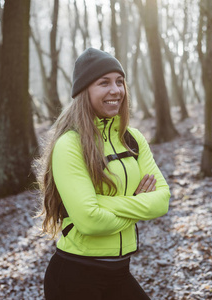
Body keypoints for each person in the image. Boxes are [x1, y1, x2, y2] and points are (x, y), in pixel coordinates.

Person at [38, 47, 171, 299]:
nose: (116, 90)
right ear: (83, 91)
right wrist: (139, 206)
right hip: (74, 278)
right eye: (104, 83)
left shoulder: (132, 139)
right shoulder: (70, 144)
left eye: (119, 82)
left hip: (119, 274)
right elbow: (89, 221)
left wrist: (103, 204)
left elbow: (162, 200)